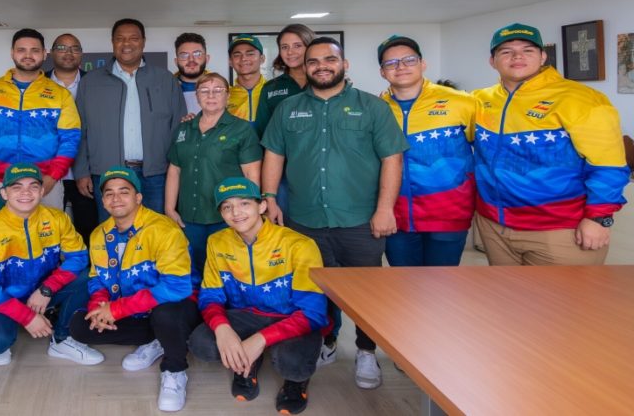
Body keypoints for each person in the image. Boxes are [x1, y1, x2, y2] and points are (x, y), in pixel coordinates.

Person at [260, 37, 408, 389]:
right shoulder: (288, 108)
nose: (321, 65)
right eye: (313, 61)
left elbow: (392, 159)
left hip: (360, 219)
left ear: (345, 64)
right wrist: (269, 197)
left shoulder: (372, 107)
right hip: (305, 219)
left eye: (330, 59)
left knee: (366, 293)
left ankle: (366, 352)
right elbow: (275, 155)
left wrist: (385, 208)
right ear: (304, 67)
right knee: (315, 291)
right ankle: (325, 342)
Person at [473, 23, 628, 265]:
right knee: (506, 302)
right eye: (506, 51)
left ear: (543, 56)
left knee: (566, 303)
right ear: (492, 61)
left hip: (559, 230)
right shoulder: (478, 100)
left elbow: (610, 165)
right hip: (494, 226)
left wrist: (599, 218)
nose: (517, 56)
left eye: (528, 50)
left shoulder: (581, 99)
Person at [189, 177, 327, 415]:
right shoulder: (217, 242)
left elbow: (313, 314)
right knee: (201, 344)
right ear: (221, 214)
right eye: (227, 207)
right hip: (246, 316)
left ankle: (295, 383)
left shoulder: (299, 245)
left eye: (244, 203)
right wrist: (223, 330)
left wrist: (259, 340)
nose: (236, 213)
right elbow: (210, 296)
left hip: (291, 318)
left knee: (292, 363)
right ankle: (247, 363)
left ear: (262, 206)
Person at [68, 166, 200, 412]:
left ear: (138, 197)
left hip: (176, 304)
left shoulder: (163, 229)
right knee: (79, 327)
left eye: (124, 191)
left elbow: (177, 287)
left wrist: (116, 309)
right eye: (109, 193)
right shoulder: (99, 234)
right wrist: (98, 307)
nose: (116, 198)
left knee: (166, 315)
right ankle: (158, 340)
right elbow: (97, 278)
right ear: (103, 200)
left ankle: (174, 369)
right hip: (135, 309)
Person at [0, 163, 103, 366]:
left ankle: (62, 339)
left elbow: (79, 257)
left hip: (42, 292)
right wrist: (26, 317)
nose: (26, 193)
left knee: (89, 275)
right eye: (16, 187)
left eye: (33, 186)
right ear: (3, 193)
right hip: (3, 297)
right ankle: (8, 324)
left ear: (41, 191)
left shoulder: (57, 219)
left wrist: (47, 289)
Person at [377, 35, 478, 266]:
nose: (400, 67)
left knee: (442, 292)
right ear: (383, 72)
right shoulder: (377, 108)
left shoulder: (462, 102)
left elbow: (485, 153)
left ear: (423, 64)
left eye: (409, 60)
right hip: (396, 217)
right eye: (391, 63)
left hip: (448, 213)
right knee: (403, 290)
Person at [73, 18, 187, 221]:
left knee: (155, 232)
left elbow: (178, 128)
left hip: (156, 174)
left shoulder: (165, 79)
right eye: (120, 39)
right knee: (112, 233)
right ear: (112, 42)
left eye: (134, 38)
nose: (127, 44)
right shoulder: (90, 82)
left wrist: (176, 169)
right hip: (107, 174)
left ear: (143, 41)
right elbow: (79, 130)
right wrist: (81, 171)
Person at [0, 29, 80, 217]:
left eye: (35, 50)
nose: (28, 55)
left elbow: (70, 140)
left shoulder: (60, 94)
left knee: (46, 242)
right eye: (21, 50)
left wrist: (52, 177)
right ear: (12, 52)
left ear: (44, 54)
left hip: (43, 182)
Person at [164, 72, 262, 286]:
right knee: (193, 272)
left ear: (228, 96)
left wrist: (251, 214)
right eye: (204, 90)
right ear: (197, 96)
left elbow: (251, 175)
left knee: (229, 273)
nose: (211, 95)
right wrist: (170, 209)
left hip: (227, 218)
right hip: (189, 217)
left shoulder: (242, 129)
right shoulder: (184, 128)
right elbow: (174, 170)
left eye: (218, 90)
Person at [258, 24, 317, 224]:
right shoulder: (271, 88)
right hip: (282, 175)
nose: (290, 52)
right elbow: (263, 136)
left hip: (320, 170)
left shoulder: (326, 83)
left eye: (297, 45)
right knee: (287, 230)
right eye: (284, 47)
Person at [47, 33, 98, 245]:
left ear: (81, 54)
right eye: (62, 48)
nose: (69, 53)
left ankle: (86, 275)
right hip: (47, 172)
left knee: (88, 228)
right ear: (50, 53)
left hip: (85, 171)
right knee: (48, 229)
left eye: (74, 48)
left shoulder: (95, 84)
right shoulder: (37, 85)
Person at [226, 34, 270, 134]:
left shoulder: (274, 91)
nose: (243, 58)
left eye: (250, 54)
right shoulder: (224, 95)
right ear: (230, 61)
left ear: (262, 59)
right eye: (237, 55)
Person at [173, 32, 211, 114]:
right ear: (176, 61)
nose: (191, 59)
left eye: (197, 54)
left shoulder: (222, 89)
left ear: (207, 58)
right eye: (184, 55)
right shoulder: (166, 89)